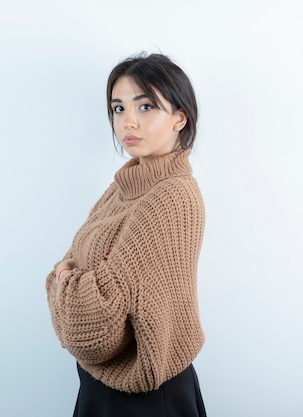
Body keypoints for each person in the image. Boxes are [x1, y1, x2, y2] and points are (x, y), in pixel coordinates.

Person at [45, 52, 208, 417]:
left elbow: (93, 323)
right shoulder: (124, 185)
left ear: (179, 118)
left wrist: (66, 278)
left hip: (146, 398)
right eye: (118, 108)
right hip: (97, 390)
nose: (128, 120)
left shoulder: (171, 196)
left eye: (146, 106)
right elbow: (69, 265)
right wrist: (77, 275)